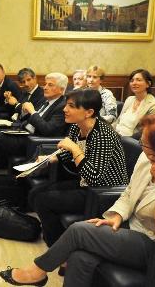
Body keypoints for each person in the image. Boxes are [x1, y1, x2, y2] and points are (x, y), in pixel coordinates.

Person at [0, 114, 155, 287]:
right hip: (130, 226)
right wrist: (116, 215)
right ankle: (43, 270)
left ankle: (37, 272)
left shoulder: (105, 135)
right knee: (80, 256)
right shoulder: (146, 158)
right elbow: (129, 192)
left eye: (144, 143)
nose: (141, 146)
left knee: (79, 230)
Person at [33, 89, 128, 249]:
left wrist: (75, 149)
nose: (64, 109)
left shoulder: (103, 135)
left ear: (89, 112)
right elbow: (69, 155)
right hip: (85, 185)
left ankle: (59, 250)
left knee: (43, 200)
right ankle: (60, 242)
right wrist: (50, 159)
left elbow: (94, 177)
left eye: (71, 106)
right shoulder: (77, 127)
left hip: (102, 193)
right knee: (36, 193)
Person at [0, 73, 69, 202]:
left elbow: (47, 130)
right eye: (45, 84)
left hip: (33, 143)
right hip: (22, 134)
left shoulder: (62, 106)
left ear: (61, 89)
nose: (45, 87)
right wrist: (23, 117)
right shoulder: (46, 101)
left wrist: (32, 112)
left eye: (50, 85)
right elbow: (29, 119)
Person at [112, 69, 155, 137]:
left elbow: (146, 131)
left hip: (131, 141)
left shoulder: (154, 105)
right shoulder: (129, 99)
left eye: (139, 80)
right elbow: (118, 121)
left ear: (148, 84)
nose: (134, 83)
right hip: (116, 135)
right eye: (132, 80)